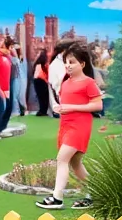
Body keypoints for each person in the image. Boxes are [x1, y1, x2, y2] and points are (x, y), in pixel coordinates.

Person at [37, 41, 103, 210]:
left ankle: (57, 198)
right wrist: (60, 108)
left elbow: (97, 106)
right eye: (66, 61)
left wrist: (72, 108)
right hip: (65, 126)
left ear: (82, 64)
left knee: (62, 159)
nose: (68, 65)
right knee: (75, 163)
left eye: (72, 62)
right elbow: (66, 104)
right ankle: (95, 192)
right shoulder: (66, 82)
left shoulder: (88, 83)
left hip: (80, 127)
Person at [10, 43, 29, 116]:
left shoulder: (19, 59)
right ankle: (19, 110)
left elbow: (18, 66)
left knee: (17, 95)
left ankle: (17, 111)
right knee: (17, 95)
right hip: (18, 78)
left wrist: (15, 55)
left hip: (18, 78)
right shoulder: (15, 58)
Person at [32, 49, 51, 117]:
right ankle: (43, 111)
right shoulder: (43, 64)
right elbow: (41, 75)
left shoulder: (38, 64)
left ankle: (42, 111)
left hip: (37, 81)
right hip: (41, 81)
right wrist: (46, 81)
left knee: (41, 97)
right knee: (44, 97)